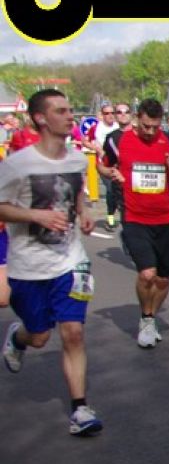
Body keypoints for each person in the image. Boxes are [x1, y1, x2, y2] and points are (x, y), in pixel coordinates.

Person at [0, 89, 102, 435]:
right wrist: (35, 215)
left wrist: (83, 212)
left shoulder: (76, 159)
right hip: (28, 266)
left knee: (73, 332)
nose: (70, 116)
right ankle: (19, 338)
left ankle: (80, 409)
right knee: (40, 335)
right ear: (40, 118)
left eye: (70, 109)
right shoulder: (17, 165)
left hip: (71, 261)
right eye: (61, 111)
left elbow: (77, 193)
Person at [101, 98, 169, 347]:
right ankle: (147, 318)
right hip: (134, 216)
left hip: (164, 218)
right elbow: (103, 166)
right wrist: (111, 173)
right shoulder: (118, 140)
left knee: (163, 279)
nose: (150, 132)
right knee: (147, 274)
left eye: (155, 127)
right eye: (146, 126)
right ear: (137, 119)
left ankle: (150, 316)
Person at [96, 103, 133, 230]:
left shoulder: (140, 133)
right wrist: (107, 170)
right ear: (116, 116)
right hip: (121, 182)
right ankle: (111, 216)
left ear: (131, 114)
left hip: (139, 182)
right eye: (119, 112)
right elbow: (107, 163)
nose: (123, 114)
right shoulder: (111, 138)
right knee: (112, 194)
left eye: (126, 111)